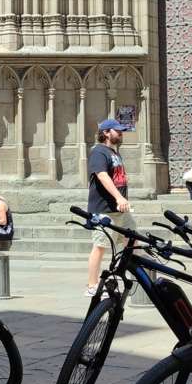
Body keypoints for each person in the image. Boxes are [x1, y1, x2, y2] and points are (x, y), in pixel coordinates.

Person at [83, 119, 132, 296]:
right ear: (105, 133)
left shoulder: (113, 153)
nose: (120, 133)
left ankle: (121, 274)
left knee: (132, 240)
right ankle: (92, 285)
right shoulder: (98, 152)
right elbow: (102, 175)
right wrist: (119, 197)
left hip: (119, 210)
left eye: (121, 131)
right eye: (117, 131)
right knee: (100, 246)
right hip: (103, 209)